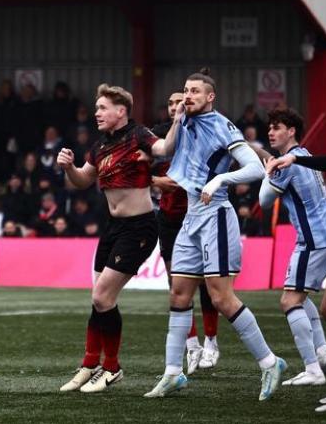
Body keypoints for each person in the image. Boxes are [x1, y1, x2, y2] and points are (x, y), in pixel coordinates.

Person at [144, 68, 285, 401]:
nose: (187, 95)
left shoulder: (223, 126)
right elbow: (164, 151)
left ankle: (270, 362)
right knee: (178, 294)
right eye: (185, 90)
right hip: (190, 217)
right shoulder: (185, 121)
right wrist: (178, 119)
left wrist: (220, 180)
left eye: (194, 91)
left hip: (216, 215)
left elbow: (253, 167)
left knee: (221, 297)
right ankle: (173, 373)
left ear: (210, 97)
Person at [57, 84, 159, 393]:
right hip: (113, 226)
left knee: (102, 297)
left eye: (103, 108)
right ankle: (90, 364)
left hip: (139, 228)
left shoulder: (140, 135)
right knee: (99, 299)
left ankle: (112, 368)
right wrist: (68, 167)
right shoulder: (100, 146)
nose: (97, 113)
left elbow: (166, 148)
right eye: (97, 107)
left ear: (121, 111)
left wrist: (180, 117)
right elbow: (81, 181)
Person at [259, 108, 326, 386]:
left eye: (277, 127)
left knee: (289, 301)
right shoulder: (305, 156)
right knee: (302, 298)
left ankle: (312, 369)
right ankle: (323, 353)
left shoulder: (286, 163)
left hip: (314, 239)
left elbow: (265, 200)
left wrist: (267, 170)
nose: (270, 131)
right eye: (270, 127)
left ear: (291, 131)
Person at [151, 92, 220, 375]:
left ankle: (212, 342)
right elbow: (141, 166)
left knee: (206, 283)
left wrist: (167, 181)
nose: (174, 107)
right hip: (168, 219)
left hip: (199, 215)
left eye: (178, 101)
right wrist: (154, 180)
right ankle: (192, 346)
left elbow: (190, 180)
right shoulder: (158, 136)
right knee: (176, 284)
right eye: (168, 103)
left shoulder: (201, 132)